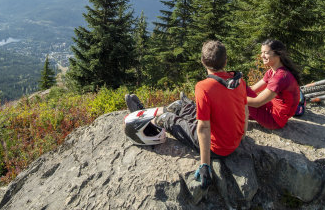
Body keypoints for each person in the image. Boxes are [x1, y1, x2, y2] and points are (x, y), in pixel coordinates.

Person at [125, 40, 248, 189]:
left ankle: (145, 122)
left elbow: (203, 128)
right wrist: (241, 135)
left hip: (217, 147)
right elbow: (245, 110)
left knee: (168, 119)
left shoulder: (204, 87)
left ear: (202, 61)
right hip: (230, 138)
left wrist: (205, 164)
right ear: (225, 61)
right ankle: (145, 113)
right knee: (180, 105)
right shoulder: (237, 80)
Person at [246, 39, 301, 129]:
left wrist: (233, 97)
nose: (262, 56)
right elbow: (252, 89)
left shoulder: (280, 77)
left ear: (278, 54)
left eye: (266, 53)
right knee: (241, 92)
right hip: (271, 109)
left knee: (240, 102)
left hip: (275, 120)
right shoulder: (272, 72)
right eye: (261, 52)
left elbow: (257, 103)